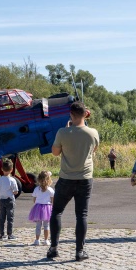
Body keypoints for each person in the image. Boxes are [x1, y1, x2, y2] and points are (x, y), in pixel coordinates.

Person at [47, 102, 99, 261]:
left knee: (57, 211)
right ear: (85, 114)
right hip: (85, 178)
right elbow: (93, 150)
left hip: (66, 177)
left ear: (71, 115)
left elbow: (55, 152)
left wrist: (66, 131)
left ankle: (54, 248)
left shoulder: (62, 132)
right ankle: (79, 251)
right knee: (81, 215)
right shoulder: (93, 133)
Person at [28, 171, 54, 246]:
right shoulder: (50, 190)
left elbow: (34, 199)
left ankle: (37, 240)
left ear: (38, 179)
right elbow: (52, 201)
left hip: (38, 207)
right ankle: (46, 240)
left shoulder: (36, 189)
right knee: (46, 225)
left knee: (38, 225)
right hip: (47, 208)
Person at [0, 159, 18, 240]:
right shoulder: (12, 180)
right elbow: (15, 191)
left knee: (2, 218)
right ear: (11, 170)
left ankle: (1, 234)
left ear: (2, 169)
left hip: (2, 200)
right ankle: (10, 234)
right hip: (10, 200)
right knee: (10, 218)